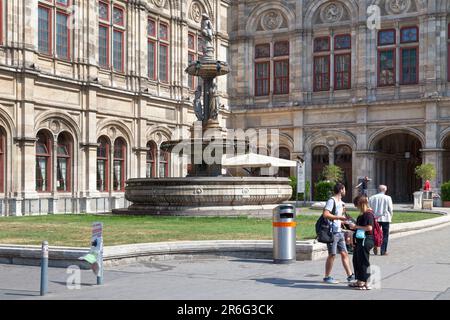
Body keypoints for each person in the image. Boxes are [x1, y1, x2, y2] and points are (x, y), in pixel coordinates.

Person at [322, 183, 355, 284]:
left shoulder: (341, 202)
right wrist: (339, 218)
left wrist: (345, 222)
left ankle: (350, 276)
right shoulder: (331, 201)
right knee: (332, 254)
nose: (345, 191)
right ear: (341, 190)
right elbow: (326, 214)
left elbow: (339, 217)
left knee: (344, 253)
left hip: (339, 231)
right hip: (332, 232)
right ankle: (327, 277)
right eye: (344, 189)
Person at [348, 195, 375, 290]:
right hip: (360, 240)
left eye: (357, 205)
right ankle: (360, 280)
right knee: (356, 260)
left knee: (363, 261)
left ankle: (366, 282)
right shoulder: (363, 214)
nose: (356, 207)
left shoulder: (368, 214)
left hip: (366, 240)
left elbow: (369, 228)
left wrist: (355, 227)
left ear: (361, 204)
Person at [369, 185, 393, 256]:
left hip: (375, 218)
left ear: (378, 190)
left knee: (375, 233)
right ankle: (383, 251)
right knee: (385, 235)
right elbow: (390, 209)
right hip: (385, 218)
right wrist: (390, 217)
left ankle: (375, 245)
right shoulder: (388, 198)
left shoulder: (372, 198)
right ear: (385, 190)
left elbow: (369, 208)